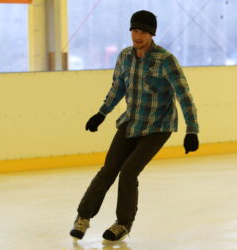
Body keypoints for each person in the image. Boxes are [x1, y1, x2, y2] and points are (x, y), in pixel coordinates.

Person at [70, 10, 199, 242]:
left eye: (143, 31)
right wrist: (101, 114)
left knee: (128, 172)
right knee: (108, 170)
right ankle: (83, 217)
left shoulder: (165, 60)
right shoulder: (125, 57)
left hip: (158, 127)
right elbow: (117, 88)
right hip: (131, 122)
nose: (138, 36)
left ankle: (123, 224)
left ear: (151, 34)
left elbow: (184, 95)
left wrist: (192, 130)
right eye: (135, 30)